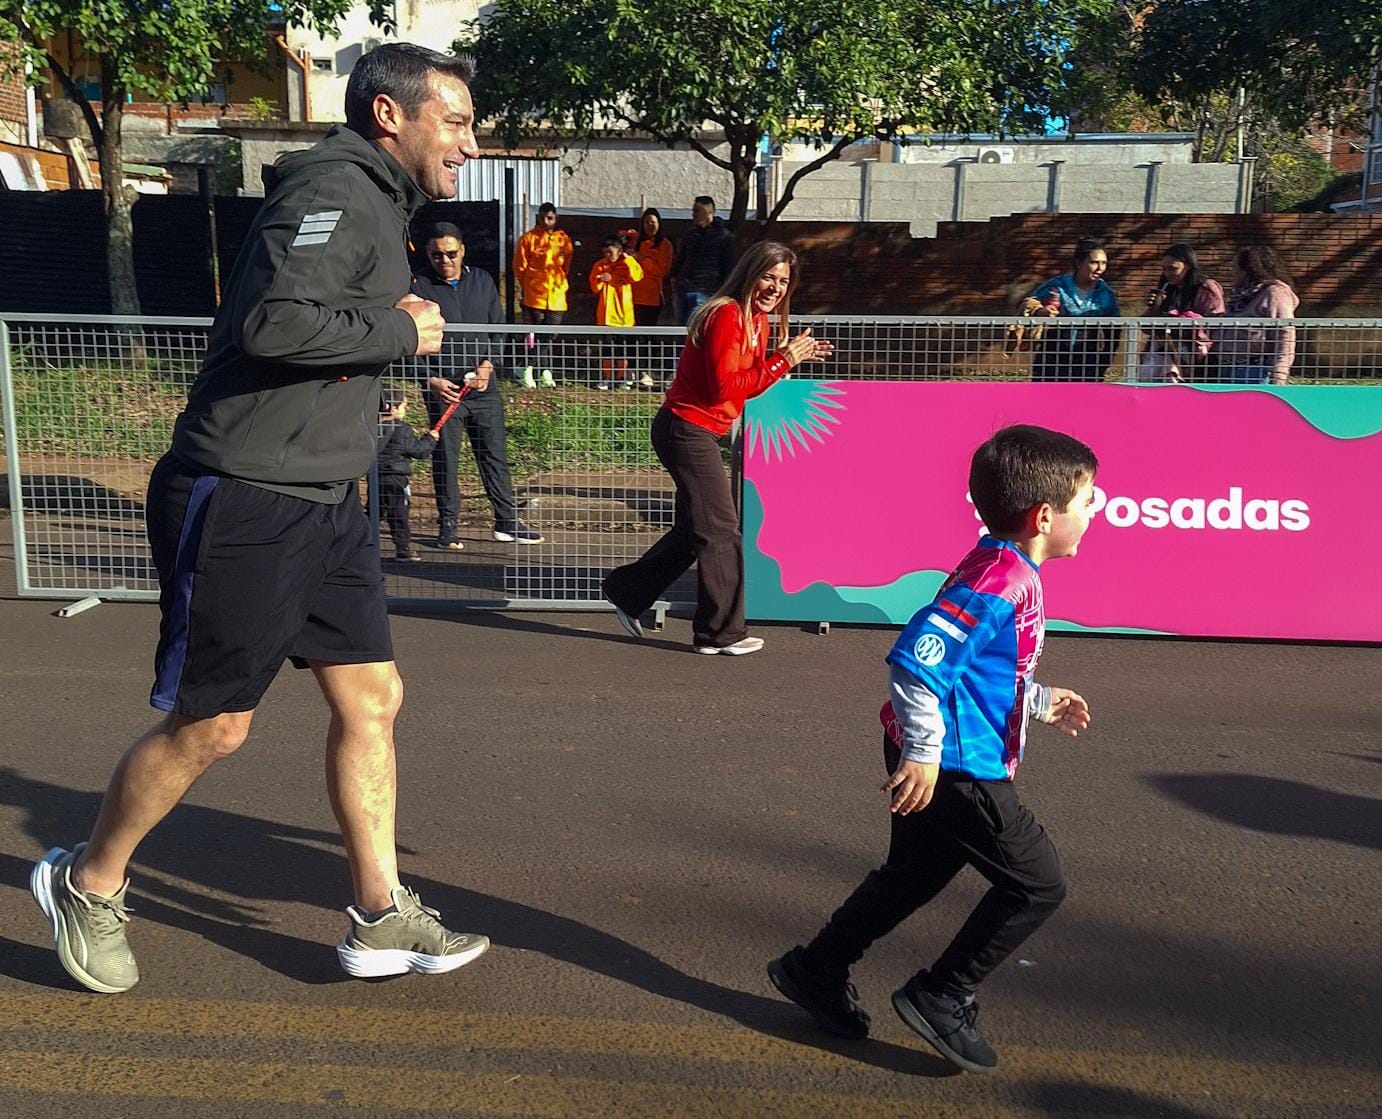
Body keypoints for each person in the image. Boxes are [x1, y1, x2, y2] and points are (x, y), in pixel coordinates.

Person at [27, 42, 491, 994]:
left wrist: (383, 347)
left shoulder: (378, 204)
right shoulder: (331, 188)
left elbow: (320, 330)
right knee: (214, 727)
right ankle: (88, 879)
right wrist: (403, 329)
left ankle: (378, 911)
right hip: (246, 496)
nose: (470, 143)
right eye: (455, 120)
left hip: (325, 500)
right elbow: (269, 325)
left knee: (373, 698)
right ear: (388, 116)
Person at [767, 424, 1099, 1074]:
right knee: (1037, 882)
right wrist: (923, 751)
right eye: (1089, 502)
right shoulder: (999, 580)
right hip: (955, 766)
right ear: (1044, 516)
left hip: (938, 755)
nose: (1095, 513)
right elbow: (921, 663)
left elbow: (980, 668)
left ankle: (817, 968)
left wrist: (1038, 699)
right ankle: (943, 993)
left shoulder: (1004, 565)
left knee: (913, 876)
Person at [601, 241, 831, 655]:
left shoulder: (757, 321)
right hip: (686, 429)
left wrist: (787, 359)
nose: (775, 288)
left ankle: (627, 590)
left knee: (697, 531)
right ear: (750, 272)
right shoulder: (726, 315)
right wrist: (783, 360)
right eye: (768, 277)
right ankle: (719, 633)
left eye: (783, 281)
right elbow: (725, 386)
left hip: (698, 430)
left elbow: (746, 385)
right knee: (722, 531)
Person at [412, 222, 543, 546]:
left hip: (483, 386)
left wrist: (488, 365)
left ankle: (507, 521)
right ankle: (448, 526)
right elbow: (408, 340)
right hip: (444, 388)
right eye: (436, 255)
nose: (444, 260)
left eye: (450, 253)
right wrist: (430, 380)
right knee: (446, 458)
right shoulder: (419, 285)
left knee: (494, 454)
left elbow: (497, 329)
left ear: (463, 251)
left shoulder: (482, 281)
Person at [1024, 238, 1121, 382]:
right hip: (1052, 359)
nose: (1100, 268)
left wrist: (1104, 361)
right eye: (1094, 262)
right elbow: (1029, 303)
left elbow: (1114, 331)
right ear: (1078, 263)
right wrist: (1041, 312)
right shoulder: (1058, 285)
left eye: (1104, 263)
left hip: (1088, 362)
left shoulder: (1105, 293)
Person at [1135, 242, 1225, 382]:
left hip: (1196, 355)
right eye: (1164, 269)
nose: (1167, 274)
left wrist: (1184, 321)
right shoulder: (1168, 289)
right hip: (1163, 352)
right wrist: (1154, 308)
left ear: (1188, 265)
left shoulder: (1206, 288)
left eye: (1172, 269)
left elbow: (1217, 323)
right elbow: (1145, 326)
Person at [1215, 245, 1300, 385]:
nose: (1232, 272)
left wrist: (1279, 373)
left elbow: (1285, 332)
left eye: (1235, 267)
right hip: (1225, 368)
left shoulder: (1275, 293)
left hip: (1253, 371)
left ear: (1247, 270)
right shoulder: (1239, 297)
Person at [512, 202, 573, 388]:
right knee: (540, 335)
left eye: (551, 217)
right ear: (538, 217)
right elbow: (519, 267)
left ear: (556, 218)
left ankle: (526, 367)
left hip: (557, 296)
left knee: (550, 335)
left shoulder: (564, 241)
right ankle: (545, 373)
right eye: (544, 217)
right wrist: (529, 285)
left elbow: (566, 267)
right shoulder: (528, 239)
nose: (547, 221)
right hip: (535, 295)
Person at [376, 385, 439, 561]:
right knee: (399, 513)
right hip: (397, 478)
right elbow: (418, 451)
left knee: (374, 512)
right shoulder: (401, 428)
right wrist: (430, 439)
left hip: (377, 477)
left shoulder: (373, 427)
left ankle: (359, 544)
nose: (406, 409)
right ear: (391, 407)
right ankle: (403, 548)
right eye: (404, 406)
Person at [590, 232, 644, 390]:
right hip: (606, 315)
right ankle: (607, 377)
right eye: (605, 252)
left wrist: (628, 259)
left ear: (619, 251)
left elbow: (637, 276)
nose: (607, 256)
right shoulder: (600, 265)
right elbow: (594, 287)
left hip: (624, 316)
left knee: (623, 348)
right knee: (607, 347)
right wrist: (600, 280)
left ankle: (622, 377)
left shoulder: (628, 263)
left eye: (610, 252)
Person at [670, 196, 735, 326]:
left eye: (697, 211)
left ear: (709, 213)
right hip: (683, 288)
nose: (693, 215)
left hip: (705, 291)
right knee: (679, 330)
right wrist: (674, 276)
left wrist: (725, 291)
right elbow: (681, 258)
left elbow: (728, 266)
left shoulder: (724, 236)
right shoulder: (689, 234)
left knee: (692, 329)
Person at [632, 207, 674, 327]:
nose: (649, 225)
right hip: (631, 295)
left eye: (653, 222)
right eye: (646, 222)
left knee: (646, 333)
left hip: (650, 298)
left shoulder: (664, 244)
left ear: (659, 224)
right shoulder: (636, 241)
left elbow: (661, 271)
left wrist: (642, 259)